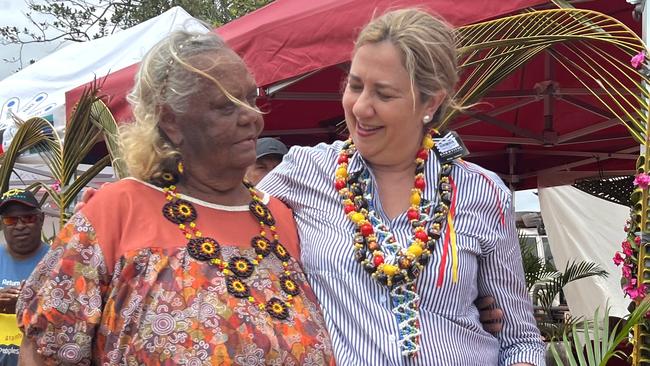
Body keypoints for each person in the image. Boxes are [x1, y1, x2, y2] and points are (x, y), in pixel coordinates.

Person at [16, 30, 334, 365]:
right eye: (226, 106)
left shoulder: (282, 216)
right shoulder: (116, 212)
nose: (252, 117)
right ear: (170, 120)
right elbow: (42, 353)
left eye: (251, 99)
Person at [257, 9, 544, 365]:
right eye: (355, 85)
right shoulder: (305, 171)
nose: (361, 107)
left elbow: (521, 341)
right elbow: (231, 237)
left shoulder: (484, 192)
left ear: (430, 102)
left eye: (384, 94)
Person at [0, 189, 48, 366]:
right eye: (11, 220)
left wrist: (27, 307)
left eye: (28, 218)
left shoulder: (59, 263)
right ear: (2, 224)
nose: (20, 226)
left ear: (41, 219)